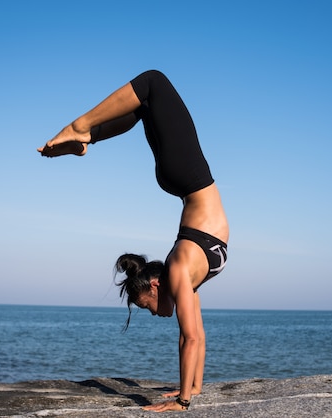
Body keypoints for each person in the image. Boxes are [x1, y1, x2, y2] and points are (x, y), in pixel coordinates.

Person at [38, 70, 229, 412]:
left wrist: (183, 402)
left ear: (155, 285)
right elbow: (196, 333)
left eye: (145, 305)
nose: (153, 314)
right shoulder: (185, 275)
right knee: (144, 104)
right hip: (185, 182)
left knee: (153, 83)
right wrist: (194, 387)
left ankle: (82, 128)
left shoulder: (178, 270)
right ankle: (86, 138)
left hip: (189, 178)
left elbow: (191, 337)